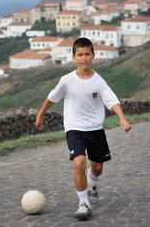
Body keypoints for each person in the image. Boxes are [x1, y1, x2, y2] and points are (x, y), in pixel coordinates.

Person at [35, 37, 131, 220]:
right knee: (78, 162)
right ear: (73, 57)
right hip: (74, 128)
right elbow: (51, 98)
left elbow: (112, 101)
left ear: (93, 56)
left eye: (87, 54)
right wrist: (40, 115)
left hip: (95, 129)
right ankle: (83, 203)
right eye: (80, 55)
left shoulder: (98, 81)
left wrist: (122, 119)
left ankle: (93, 182)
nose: (84, 58)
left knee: (97, 167)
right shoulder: (67, 80)